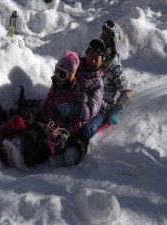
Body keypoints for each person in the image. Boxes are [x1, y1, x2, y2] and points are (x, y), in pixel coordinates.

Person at [0, 39, 106, 170]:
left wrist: (75, 108)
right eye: (91, 55)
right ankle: (3, 131)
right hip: (52, 106)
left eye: (98, 58)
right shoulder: (77, 67)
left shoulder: (97, 84)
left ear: (102, 61)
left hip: (66, 120)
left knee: (37, 129)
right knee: (27, 114)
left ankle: (17, 149)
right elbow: (68, 64)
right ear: (87, 53)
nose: (93, 60)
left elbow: (92, 110)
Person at [49, 19, 132, 167]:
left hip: (101, 107)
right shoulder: (93, 53)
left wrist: (116, 110)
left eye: (109, 39)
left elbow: (127, 91)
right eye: (103, 36)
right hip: (80, 96)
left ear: (114, 45)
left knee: (88, 128)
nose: (104, 41)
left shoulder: (115, 67)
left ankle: (75, 150)